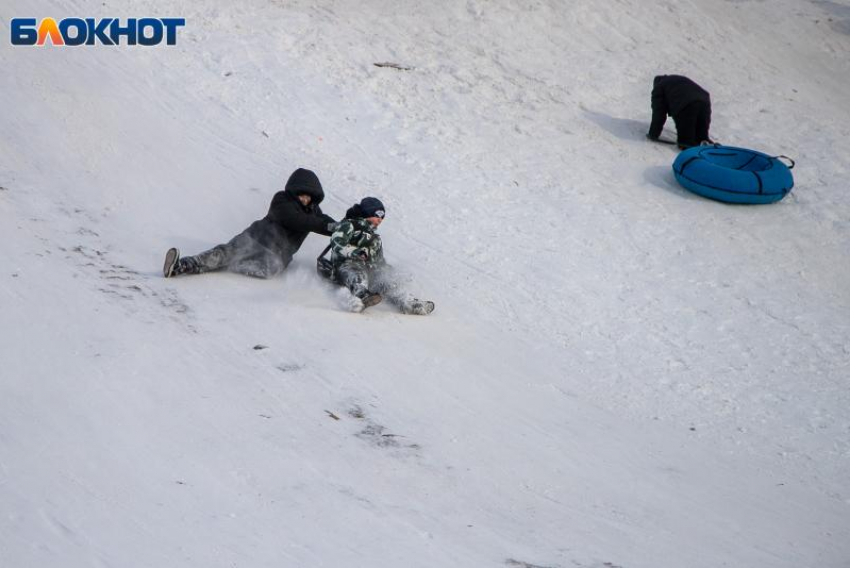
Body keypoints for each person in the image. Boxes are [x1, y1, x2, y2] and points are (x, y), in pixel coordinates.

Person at [163, 168, 337, 279]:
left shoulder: (313, 212)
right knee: (225, 253)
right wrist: (326, 226)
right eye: (302, 195)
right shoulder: (282, 200)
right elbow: (298, 220)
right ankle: (183, 265)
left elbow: (323, 221)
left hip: (275, 257)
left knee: (267, 269)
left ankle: (231, 265)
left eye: (309, 197)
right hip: (255, 239)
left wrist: (343, 228)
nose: (305, 199)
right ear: (294, 192)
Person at [323, 197, 434, 315]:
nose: (380, 219)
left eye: (382, 217)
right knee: (357, 272)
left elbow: (379, 261)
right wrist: (355, 252)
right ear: (367, 213)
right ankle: (360, 296)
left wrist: (388, 273)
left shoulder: (375, 238)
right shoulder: (349, 225)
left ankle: (408, 303)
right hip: (344, 267)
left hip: (368, 271)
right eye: (377, 215)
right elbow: (337, 243)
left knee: (387, 281)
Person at [646, 74, 713, 149]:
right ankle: (717, 154)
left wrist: (653, 134)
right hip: (704, 101)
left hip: (686, 105)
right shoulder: (675, 80)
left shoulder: (659, 87)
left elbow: (659, 113)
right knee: (702, 139)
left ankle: (696, 158)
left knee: (686, 143)